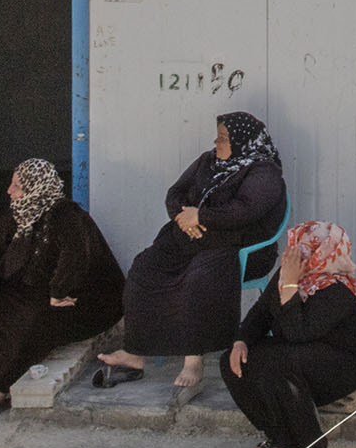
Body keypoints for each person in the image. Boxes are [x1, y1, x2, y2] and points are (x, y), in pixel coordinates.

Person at [93, 109, 287, 396]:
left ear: (243, 140)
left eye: (223, 138)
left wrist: (202, 217)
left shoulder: (263, 171)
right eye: (218, 136)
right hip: (190, 237)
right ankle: (136, 352)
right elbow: (175, 193)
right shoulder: (208, 161)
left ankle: (194, 358)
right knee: (144, 268)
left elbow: (247, 210)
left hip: (239, 245)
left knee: (199, 278)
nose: (216, 142)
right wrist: (183, 217)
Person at [0, 158, 125, 421]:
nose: (10, 192)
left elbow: (76, 258)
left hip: (84, 298)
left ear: (38, 187)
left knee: (38, 317)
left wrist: (58, 292)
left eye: (17, 186)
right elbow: (2, 258)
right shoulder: (20, 215)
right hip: (41, 289)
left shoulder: (66, 215)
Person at [220, 220, 356, 448]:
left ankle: (311, 446)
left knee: (278, 363)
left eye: (308, 248)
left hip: (343, 363)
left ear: (325, 252)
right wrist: (241, 341)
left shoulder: (339, 290)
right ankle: (278, 434)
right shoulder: (289, 276)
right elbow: (261, 313)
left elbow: (297, 333)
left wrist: (290, 285)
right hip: (298, 354)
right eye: (298, 246)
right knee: (233, 361)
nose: (298, 254)